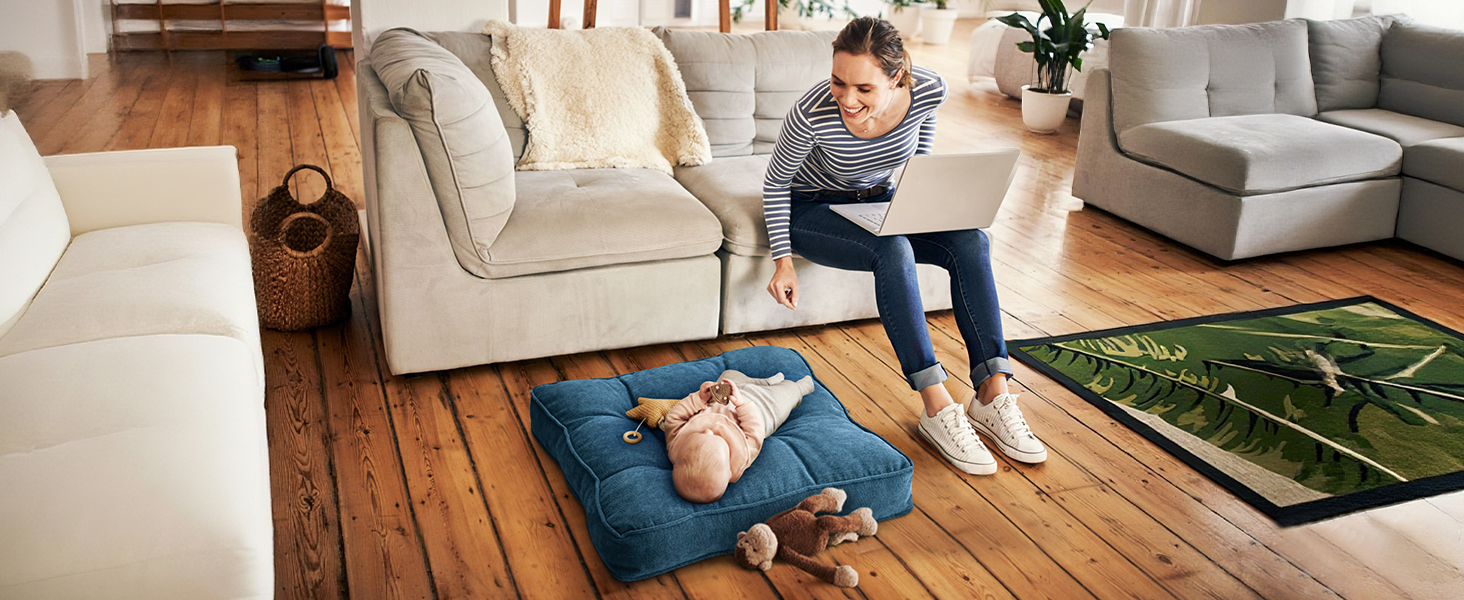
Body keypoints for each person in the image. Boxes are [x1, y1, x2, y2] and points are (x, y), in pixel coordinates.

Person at [761, 16, 1046, 475]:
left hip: (878, 201)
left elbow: (922, 140)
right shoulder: (810, 113)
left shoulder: (930, 89)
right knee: (892, 250)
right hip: (812, 209)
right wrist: (782, 262)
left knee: (972, 241)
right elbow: (776, 185)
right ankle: (937, 406)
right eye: (838, 82)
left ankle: (993, 393)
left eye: (864, 89)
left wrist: (920, 196)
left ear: (896, 79)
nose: (847, 99)